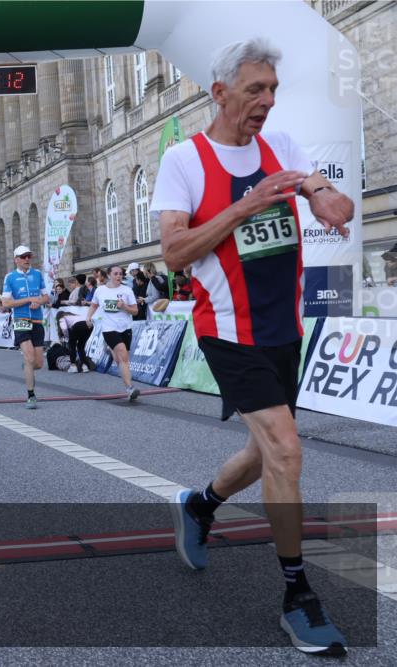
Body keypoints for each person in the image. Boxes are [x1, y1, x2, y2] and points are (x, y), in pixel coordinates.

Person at [152, 37, 353, 655]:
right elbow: (174, 253)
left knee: (265, 452)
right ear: (220, 93)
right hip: (226, 329)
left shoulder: (282, 147)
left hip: (283, 327)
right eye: (254, 90)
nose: (266, 101)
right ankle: (298, 595)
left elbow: (329, 196)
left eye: (272, 90)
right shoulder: (185, 160)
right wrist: (244, 208)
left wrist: (324, 198)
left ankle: (200, 505)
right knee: (286, 450)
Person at [1, 245, 50, 409]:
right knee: (29, 357)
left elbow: (46, 297)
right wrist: (28, 300)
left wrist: (39, 301)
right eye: (23, 257)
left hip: (37, 321)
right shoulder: (10, 277)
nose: (27, 259)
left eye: (29, 256)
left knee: (38, 363)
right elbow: (6, 303)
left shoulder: (37, 274)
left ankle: (27, 367)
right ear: (16, 259)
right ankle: (31, 395)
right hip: (21, 321)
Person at [86, 265, 139, 401]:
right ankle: (130, 388)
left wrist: (124, 306)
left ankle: (111, 349)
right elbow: (94, 305)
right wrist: (88, 317)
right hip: (109, 328)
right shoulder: (100, 290)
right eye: (115, 274)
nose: (118, 276)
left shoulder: (127, 290)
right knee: (123, 357)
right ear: (109, 275)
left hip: (125, 328)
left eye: (120, 274)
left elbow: (135, 311)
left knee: (120, 359)